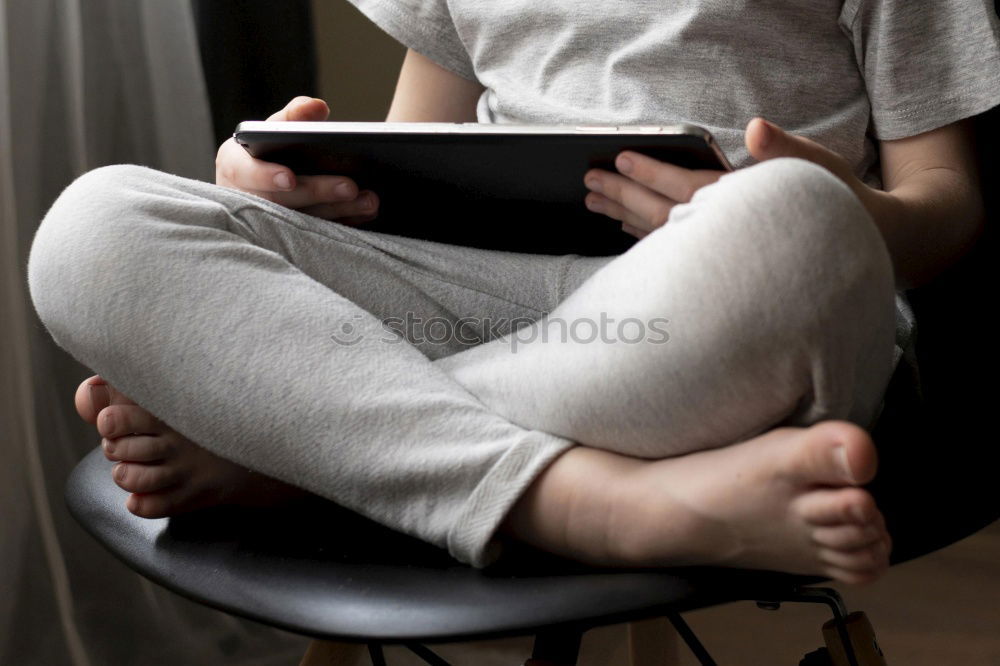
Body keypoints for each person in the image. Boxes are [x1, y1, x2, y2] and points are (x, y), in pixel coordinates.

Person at [28, 1, 999, 586]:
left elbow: (945, 210)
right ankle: (587, 499)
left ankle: (295, 451)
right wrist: (291, 190)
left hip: (703, 316)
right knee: (95, 225)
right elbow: (406, 171)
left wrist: (810, 196)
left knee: (799, 218)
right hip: (480, 295)